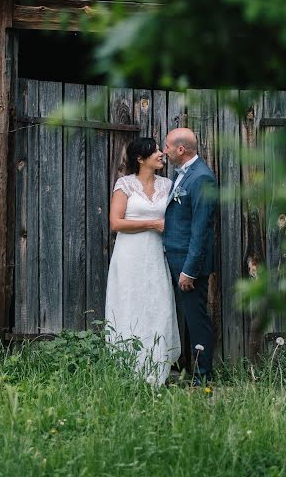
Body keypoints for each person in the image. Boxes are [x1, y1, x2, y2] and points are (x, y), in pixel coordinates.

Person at [105, 137, 181, 385]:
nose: (161, 154)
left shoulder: (169, 185)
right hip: (130, 255)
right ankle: (127, 367)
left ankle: (157, 366)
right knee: (130, 303)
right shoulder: (125, 184)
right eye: (155, 151)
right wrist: (153, 223)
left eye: (161, 149)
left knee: (157, 303)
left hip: (157, 254)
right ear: (140, 159)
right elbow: (116, 223)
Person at [163, 128, 217, 384]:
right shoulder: (185, 175)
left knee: (196, 318)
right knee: (187, 316)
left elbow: (200, 229)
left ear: (180, 150)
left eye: (167, 146)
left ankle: (203, 376)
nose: (165, 151)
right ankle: (189, 370)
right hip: (176, 258)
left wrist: (190, 270)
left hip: (189, 263)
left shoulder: (202, 178)